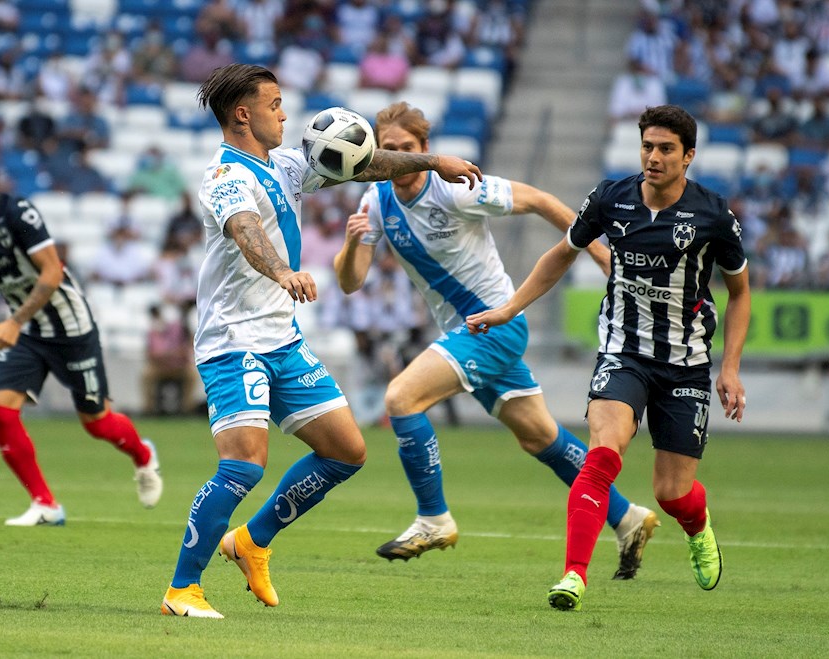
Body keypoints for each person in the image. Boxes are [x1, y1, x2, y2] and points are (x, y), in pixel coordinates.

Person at [160, 64, 482, 619]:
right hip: (233, 341)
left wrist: (432, 161)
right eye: (275, 104)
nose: (285, 114)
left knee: (346, 451)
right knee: (242, 466)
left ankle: (251, 541)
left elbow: (365, 164)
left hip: (281, 340)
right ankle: (181, 590)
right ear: (243, 114)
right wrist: (282, 272)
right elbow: (245, 229)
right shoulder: (225, 176)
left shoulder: (283, 164)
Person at [334, 102, 661, 578]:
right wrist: (349, 245)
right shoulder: (375, 203)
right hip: (466, 333)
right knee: (540, 437)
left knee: (401, 399)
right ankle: (627, 517)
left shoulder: (456, 190)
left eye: (407, 149)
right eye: (389, 151)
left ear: (425, 150)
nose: (399, 158)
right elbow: (351, 282)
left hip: (496, 326)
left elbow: (543, 202)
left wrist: (599, 254)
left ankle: (433, 517)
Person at [466, 105, 751, 611]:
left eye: (666, 149)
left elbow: (740, 292)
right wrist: (510, 307)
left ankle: (697, 524)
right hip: (623, 351)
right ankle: (574, 575)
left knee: (672, 493)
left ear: (688, 156)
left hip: (686, 362)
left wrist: (728, 368)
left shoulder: (713, 215)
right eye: (647, 146)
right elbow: (561, 254)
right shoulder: (610, 198)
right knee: (603, 454)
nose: (654, 157)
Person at [0, 149, 162, 526]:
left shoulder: (18, 214)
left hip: (69, 328)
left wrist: (12, 322)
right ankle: (45, 504)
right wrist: (17, 324)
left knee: (96, 422)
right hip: (29, 331)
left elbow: (51, 273)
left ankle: (143, 456)